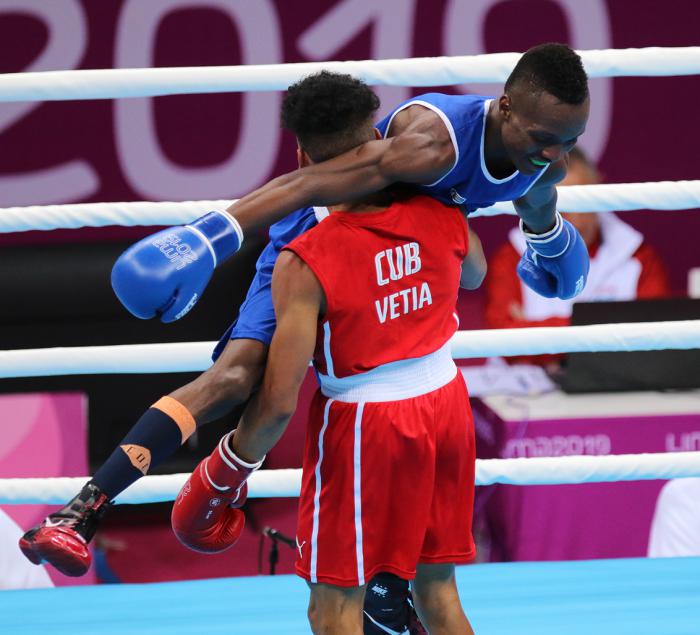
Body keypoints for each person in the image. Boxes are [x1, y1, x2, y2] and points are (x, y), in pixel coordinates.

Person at [22, 39, 589, 627]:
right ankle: (81, 510)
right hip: (330, 236)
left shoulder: (545, 156)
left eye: (568, 139)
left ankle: (384, 585)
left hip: (404, 247)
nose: (554, 151)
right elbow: (308, 187)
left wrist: (550, 242)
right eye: (543, 136)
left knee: (381, 411)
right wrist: (209, 238)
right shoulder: (431, 145)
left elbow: (533, 205)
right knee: (237, 376)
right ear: (503, 108)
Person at [169, 96, 484, 632]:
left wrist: (227, 469)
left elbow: (278, 402)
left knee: (335, 605)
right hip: (447, 403)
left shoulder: (306, 259)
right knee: (437, 591)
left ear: (301, 160)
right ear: (376, 146)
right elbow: (474, 273)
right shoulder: (441, 210)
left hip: (366, 426)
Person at [484, 145, 670, 366]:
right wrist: (610, 330)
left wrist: (538, 333)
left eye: (587, 204)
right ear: (542, 205)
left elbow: (655, 338)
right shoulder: (513, 255)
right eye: (565, 209)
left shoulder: (639, 255)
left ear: (600, 189)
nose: (579, 222)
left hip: (618, 393)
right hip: (529, 396)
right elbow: (506, 343)